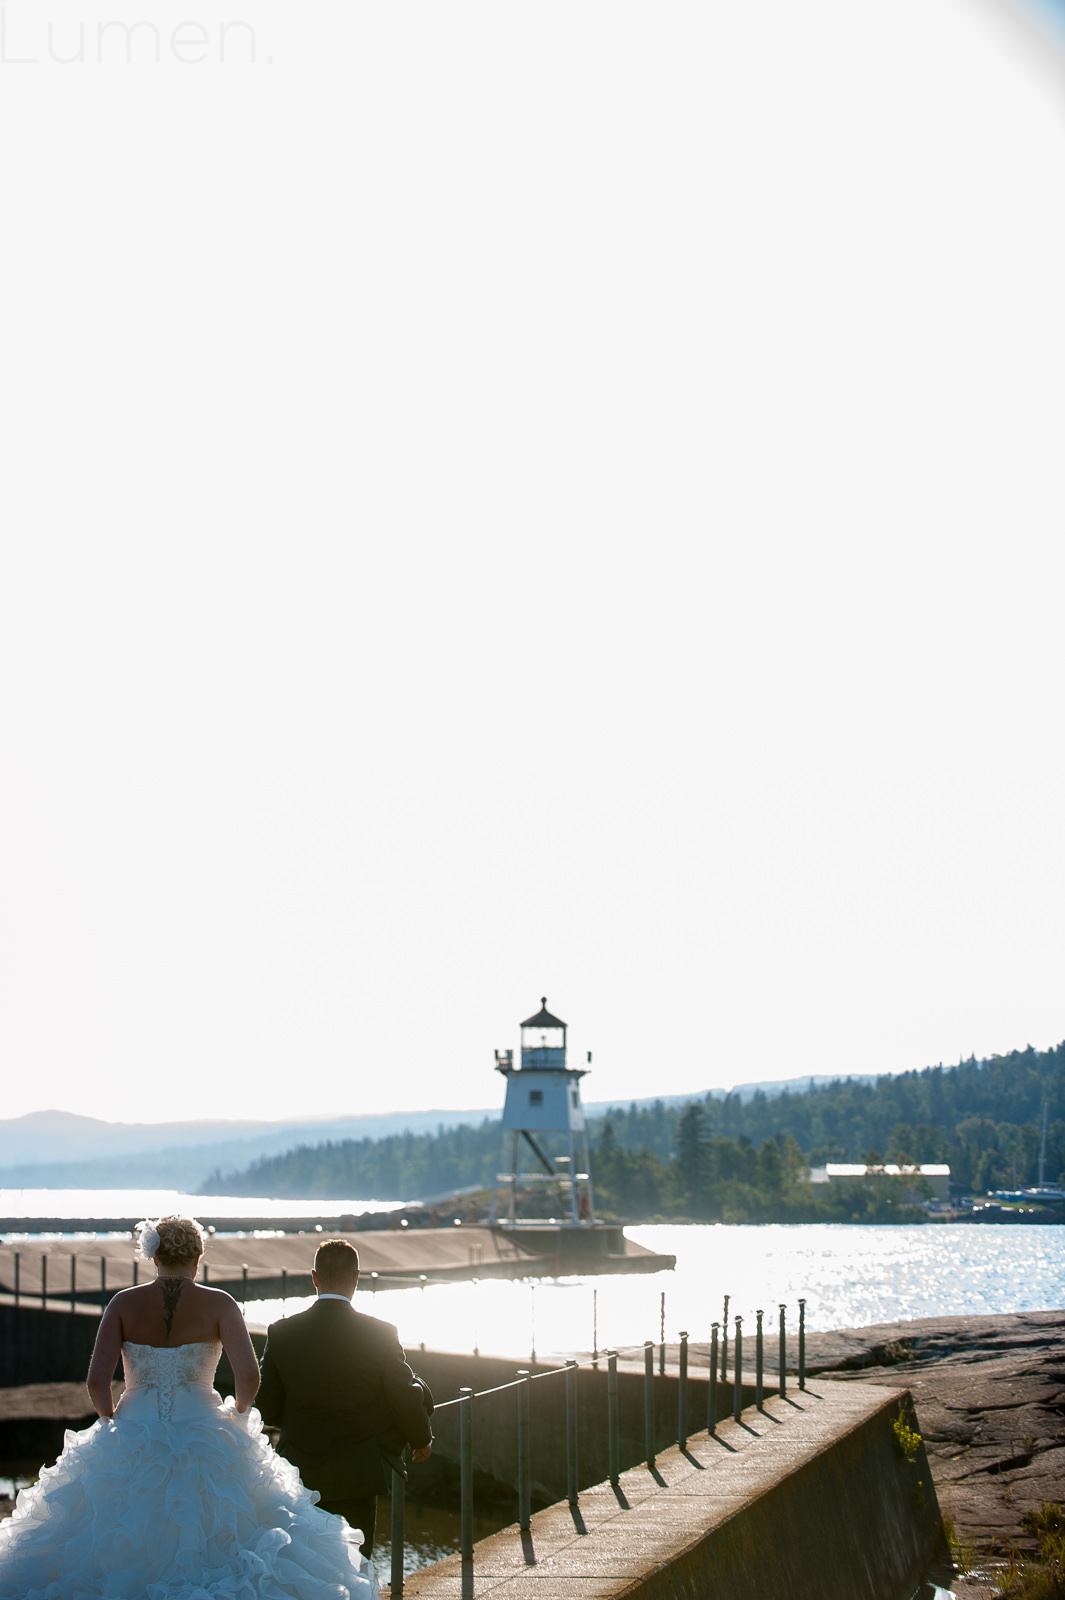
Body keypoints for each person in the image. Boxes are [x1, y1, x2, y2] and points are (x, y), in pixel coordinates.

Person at [0, 1215, 380, 1600]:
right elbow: (249, 1376)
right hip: (205, 1428)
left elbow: (97, 1382)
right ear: (198, 1257)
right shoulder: (220, 1304)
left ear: (154, 1256)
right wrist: (238, 1416)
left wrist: (111, 1422)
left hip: (133, 1426)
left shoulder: (122, 1304)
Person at [257, 1238, 433, 1557]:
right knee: (353, 1565)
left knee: (304, 1566)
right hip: (358, 1472)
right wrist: (421, 1438)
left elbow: (266, 1406)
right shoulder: (380, 1333)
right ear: (356, 1277)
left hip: (299, 1469)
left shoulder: (282, 1332)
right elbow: (403, 1394)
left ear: (314, 1277)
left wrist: (301, 1417)